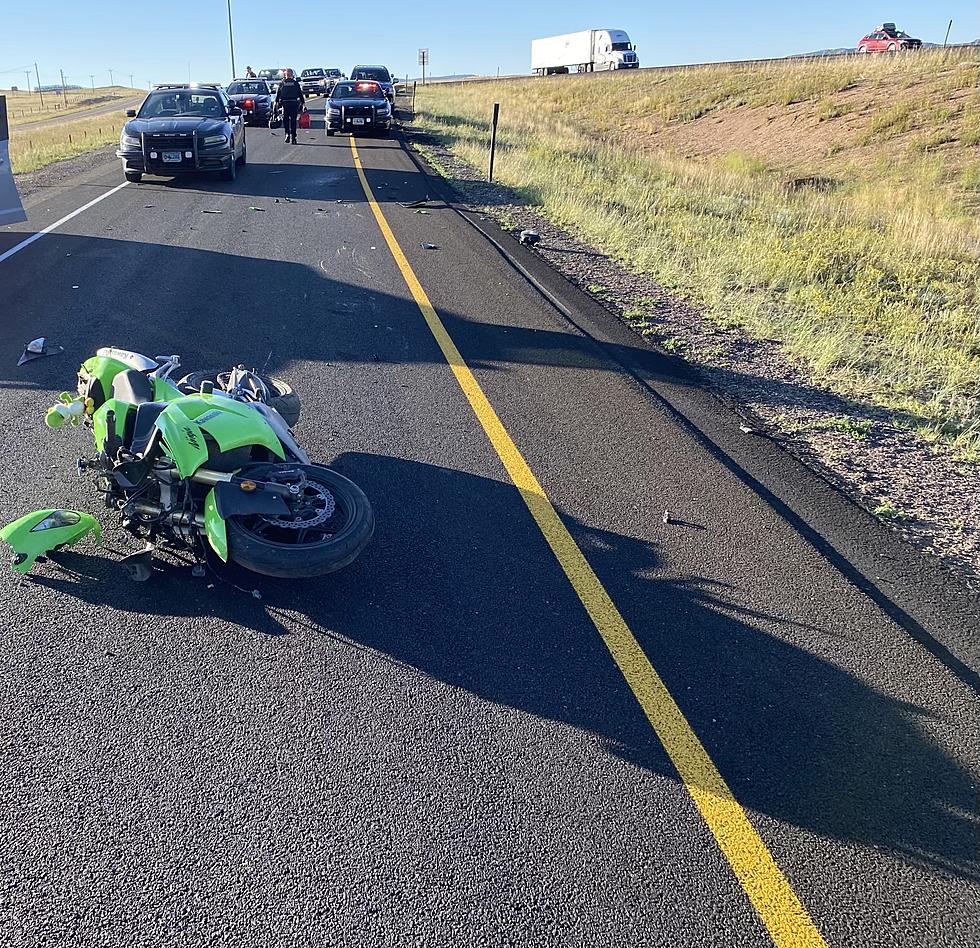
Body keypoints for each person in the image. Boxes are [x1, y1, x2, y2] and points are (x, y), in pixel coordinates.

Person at [275, 68, 305, 144]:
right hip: (294, 104)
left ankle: (287, 133)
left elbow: (278, 94)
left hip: (285, 104)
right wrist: (303, 104)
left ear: (285, 75)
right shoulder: (295, 83)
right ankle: (294, 137)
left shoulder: (282, 83)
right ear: (292, 74)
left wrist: (276, 103)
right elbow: (300, 94)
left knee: (285, 120)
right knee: (293, 121)